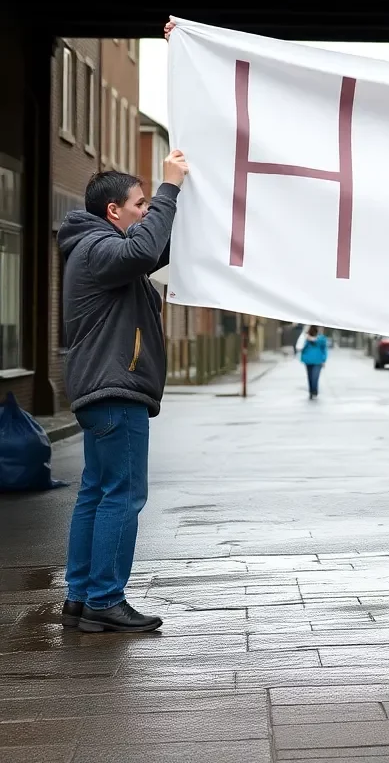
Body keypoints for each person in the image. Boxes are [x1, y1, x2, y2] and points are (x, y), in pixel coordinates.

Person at [59, 152, 190, 633]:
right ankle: (105, 601)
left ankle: (80, 597)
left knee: (95, 494)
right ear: (114, 210)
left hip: (102, 389)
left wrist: (186, 207)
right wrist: (169, 188)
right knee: (122, 495)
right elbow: (140, 252)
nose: (144, 212)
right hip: (117, 388)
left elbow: (153, 248)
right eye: (140, 204)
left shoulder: (92, 249)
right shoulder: (98, 248)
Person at [300, 326, 329, 399]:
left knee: (314, 377)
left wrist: (324, 360)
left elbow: (324, 349)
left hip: (318, 361)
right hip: (308, 360)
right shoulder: (306, 338)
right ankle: (311, 391)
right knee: (310, 376)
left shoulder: (321, 338)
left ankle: (314, 392)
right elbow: (301, 348)